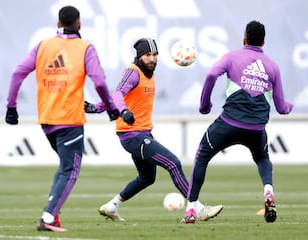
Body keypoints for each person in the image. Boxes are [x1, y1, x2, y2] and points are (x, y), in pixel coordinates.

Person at [5, 6, 119, 232]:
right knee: (70, 170)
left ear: (58, 24)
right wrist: (111, 108)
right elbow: (99, 82)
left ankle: (53, 214)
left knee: (64, 167)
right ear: (79, 25)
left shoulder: (43, 46)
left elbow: (18, 73)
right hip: (69, 120)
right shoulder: (85, 48)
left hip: (47, 120)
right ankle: (47, 218)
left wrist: (11, 107)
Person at [84, 38, 223, 222]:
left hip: (143, 133)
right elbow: (118, 94)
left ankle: (112, 206)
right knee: (173, 163)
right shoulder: (132, 72)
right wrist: (124, 111)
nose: (152, 59)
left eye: (155, 54)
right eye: (148, 55)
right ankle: (196, 208)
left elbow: (116, 97)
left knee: (147, 177)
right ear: (139, 56)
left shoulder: (149, 73)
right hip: (132, 135)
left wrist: (95, 108)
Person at [182, 20, 294, 224]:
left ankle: (190, 210)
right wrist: (289, 106)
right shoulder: (272, 66)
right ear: (263, 43)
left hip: (228, 124)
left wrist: (204, 105)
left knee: (202, 156)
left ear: (244, 39)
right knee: (262, 158)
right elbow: (281, 107)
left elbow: (211, 74)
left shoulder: (231, 57)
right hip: (257, 128)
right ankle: (268, 191)